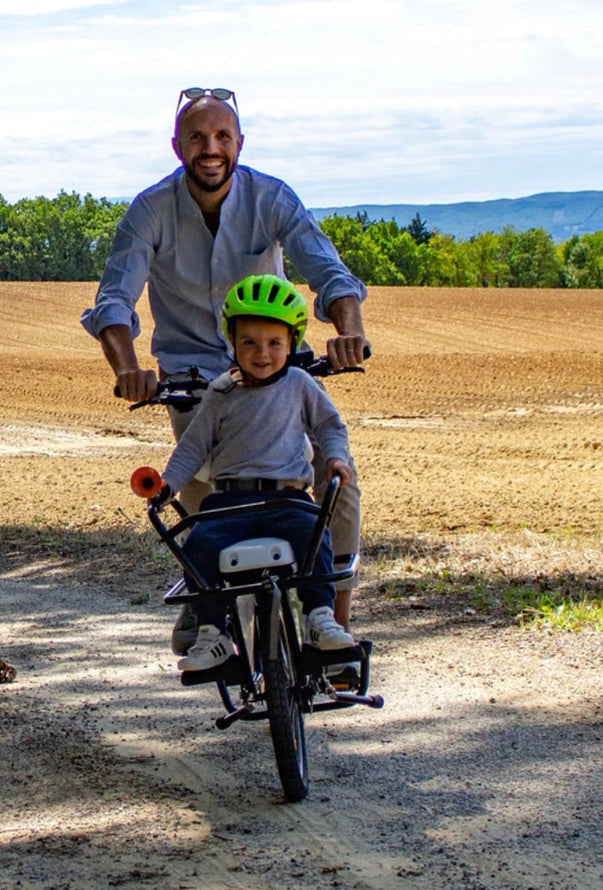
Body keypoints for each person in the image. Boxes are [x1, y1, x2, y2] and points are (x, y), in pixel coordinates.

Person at [80, 87, 368, 653]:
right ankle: (203, 598)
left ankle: (335, 624)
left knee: (338, 484)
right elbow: (115, 298)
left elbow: (327, 270)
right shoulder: (151, 209)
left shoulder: (272, 198)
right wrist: (129, 368)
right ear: (177, 146)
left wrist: (349, 330)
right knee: (197, 493)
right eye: (196, 137)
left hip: (272, 364)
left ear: (239, 144)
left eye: (221, 137)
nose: (209, 148)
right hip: (192, 380)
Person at [153, 275, 355, 671]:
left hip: (286, 498)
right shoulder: (221, 392)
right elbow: (192, 446)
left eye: (274, 344)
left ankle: (319, 617)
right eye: (249, 343)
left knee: (314, 532)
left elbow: (330, 426)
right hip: (228, 503)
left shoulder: (299, 383)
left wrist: (335, 458)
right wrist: (167, 484)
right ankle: (213, 634)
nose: (262, 353)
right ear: (232, 341)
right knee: (200, 545)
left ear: (291, 343)